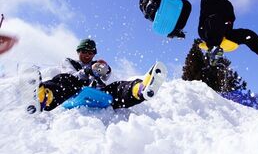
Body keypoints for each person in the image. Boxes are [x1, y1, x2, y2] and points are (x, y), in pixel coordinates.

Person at [27, 38, 165, 113]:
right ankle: (45, 96)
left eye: (90, 52)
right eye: (84, 52)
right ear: (78, 52)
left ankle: (140, 89)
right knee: (67, 80)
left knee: (117, 87)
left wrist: (107, 71)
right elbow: (70, 75)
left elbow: (111, 80)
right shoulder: (70, 62)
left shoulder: (97, 64)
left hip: (99, 96)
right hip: (73, 93)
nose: (87, 55)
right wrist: (87, 71)